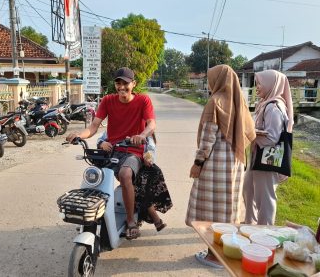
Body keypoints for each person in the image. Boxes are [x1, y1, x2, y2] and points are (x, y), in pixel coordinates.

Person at [66, 67, 156, 240]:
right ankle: (94, 214)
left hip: (132, 152)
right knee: (95, 177)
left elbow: (151, 124)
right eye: (118, 83)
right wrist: (78, 135)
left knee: (125, 173)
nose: (121, 87)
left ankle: (130, 221)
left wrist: (142, 135)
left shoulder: (143, 101)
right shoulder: (107, 100)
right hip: (112, 151)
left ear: (133, 84)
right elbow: (93, 127)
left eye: (125, 83)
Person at [185, 64, 256, 268]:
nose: (209, 83)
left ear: (217, 80)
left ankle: (213, 255)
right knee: (227, 210)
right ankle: (226, 251)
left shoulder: (215, 102)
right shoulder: (239, 102)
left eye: (210, 79)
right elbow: (249, 133)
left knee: (210, 213)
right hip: (234, 166)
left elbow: (207, 139)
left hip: (214, 167)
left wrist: (198, 163)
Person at [243, 69, 293, 225]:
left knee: (265, 199)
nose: (257, 87)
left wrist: (251, 132)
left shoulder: (273, 107)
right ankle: (250, 225)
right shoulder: (264, 104)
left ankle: (265, 232)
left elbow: (272, 138)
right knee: (248, 191)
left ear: (272, 84)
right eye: (256, 83)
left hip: (268, 159)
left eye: (260, 83)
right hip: (258, 157)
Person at [97, 131, 172, 232]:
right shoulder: (117, 126)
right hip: (121, 163)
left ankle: (133, 221)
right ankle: (156, 220)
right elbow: (102, 138)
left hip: (143, 167)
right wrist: (102, 143)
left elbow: (150, 150)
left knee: (138, 189)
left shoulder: (146, 132)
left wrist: (147, 157)